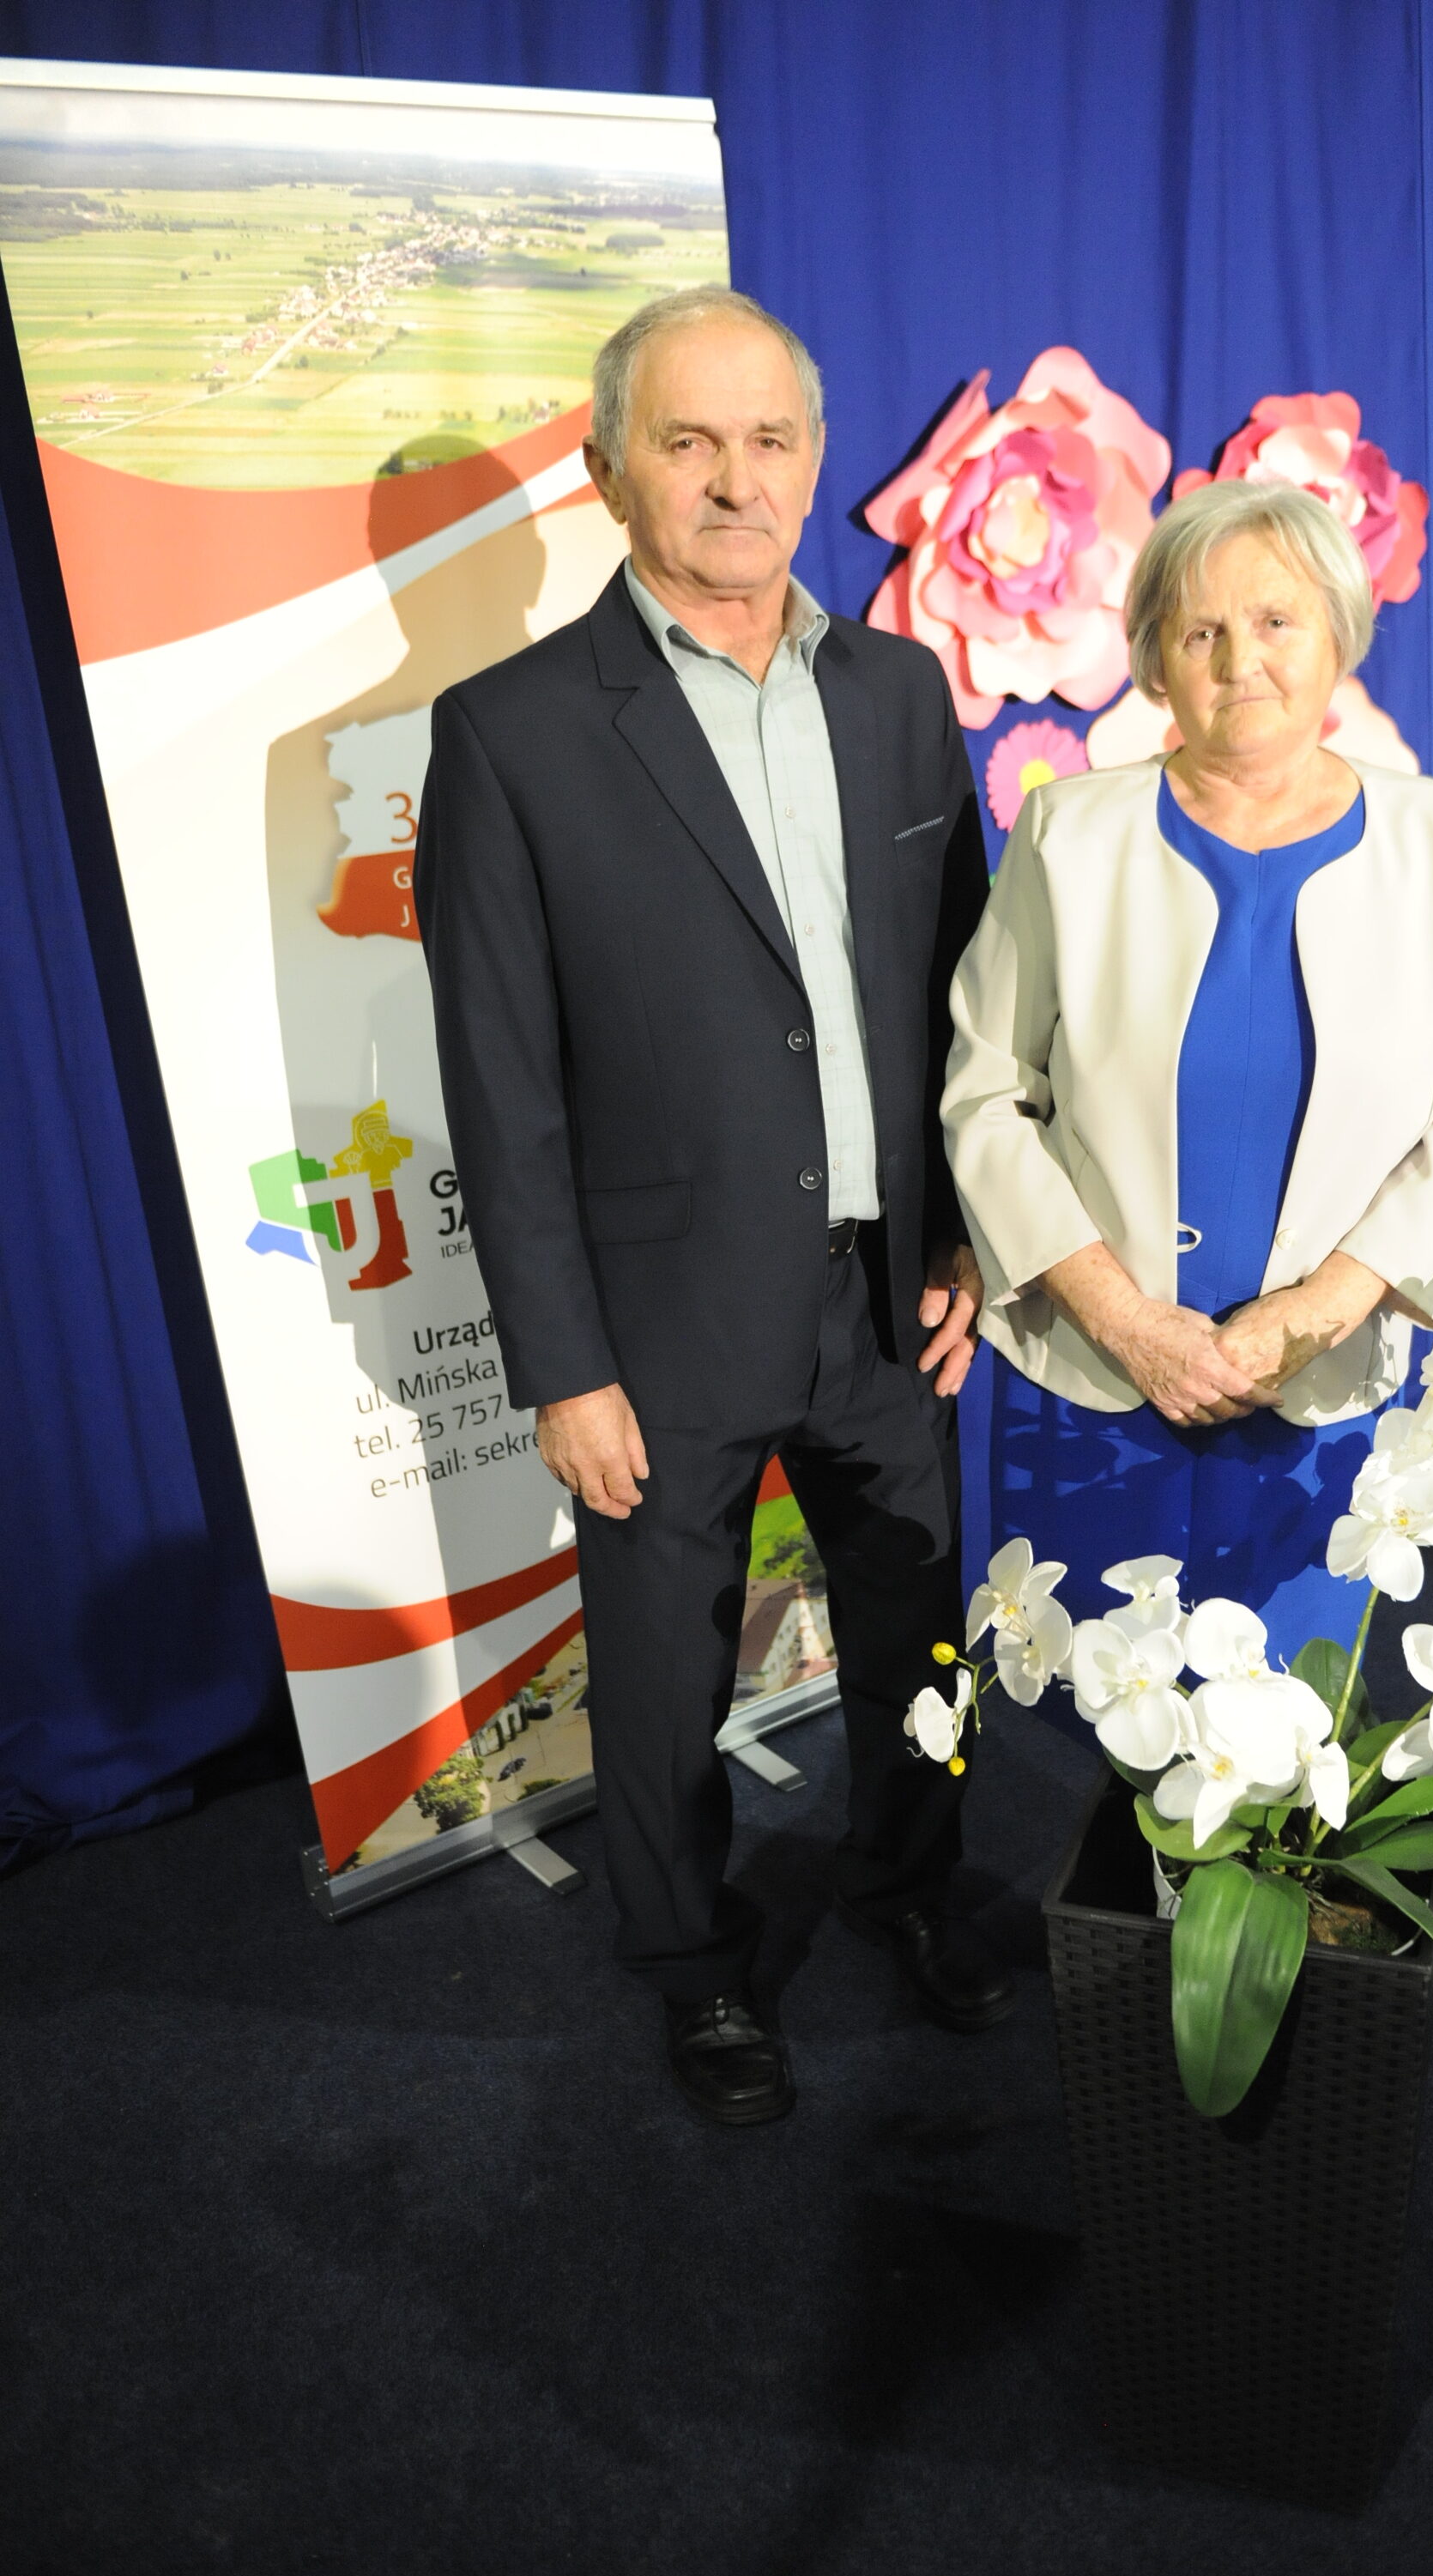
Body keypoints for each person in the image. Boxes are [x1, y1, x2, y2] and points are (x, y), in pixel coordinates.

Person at [415, 288, 1001, 2129]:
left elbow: (968, 997)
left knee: (918, 1627)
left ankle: (910, 1888)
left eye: (769, 440)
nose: (737, 481)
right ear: (610, 474)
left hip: (888, 1291)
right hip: (656, 1322)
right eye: (689, 443)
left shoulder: (901, 693)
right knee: (667, 1677)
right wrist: (561, 1365)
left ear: (815, 461)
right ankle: (696, 1972)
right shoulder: (510, 732)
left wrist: (969, 1234)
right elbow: (500, 1083)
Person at [942, 479, 1433, 1664]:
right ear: (1156, 664)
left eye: (1276, 622)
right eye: (1201, 630)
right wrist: (1131, 1325)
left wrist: (1311, 1319)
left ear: (1338, 637)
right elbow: (987, 1092)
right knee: (1089, 1703)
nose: (1240, 661)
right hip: (1092, 1383)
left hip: (1321, 1393)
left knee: (1296, 1710)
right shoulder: (1069, 837)